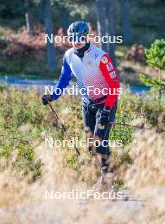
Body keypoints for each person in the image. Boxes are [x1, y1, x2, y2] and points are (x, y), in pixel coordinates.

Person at [42, 21, 120, 183]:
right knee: (91, 145)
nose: (76, 41)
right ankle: (107, 175)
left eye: (80, 37)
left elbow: (114, 85)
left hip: (106, 103)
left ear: (86, 37)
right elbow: (64, 79)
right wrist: (53, 96)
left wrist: (106, 110)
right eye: (72, 38)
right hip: (87, 104)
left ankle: (107, 181)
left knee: (99, 141)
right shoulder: (69, 55)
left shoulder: (100, 56)